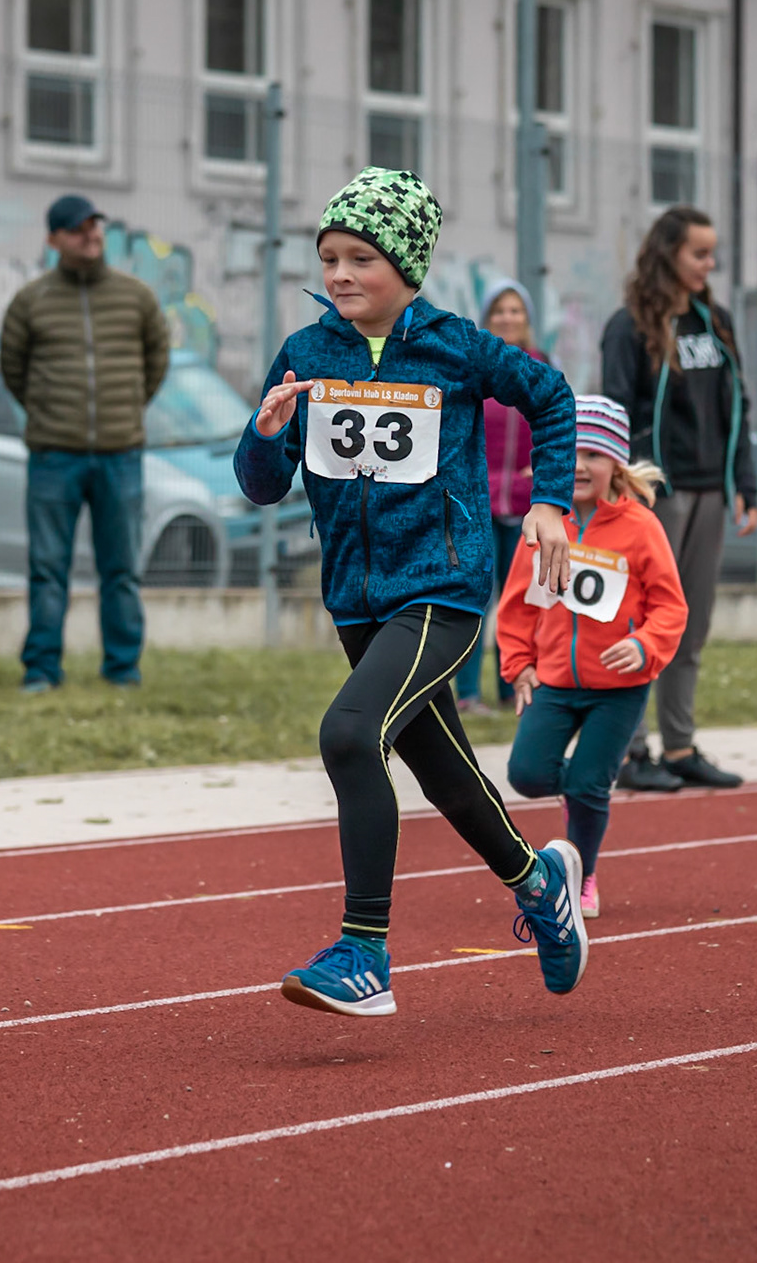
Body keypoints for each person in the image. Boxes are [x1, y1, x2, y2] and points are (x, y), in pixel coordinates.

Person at [234, 166, 584, 1018]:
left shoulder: (456, 346)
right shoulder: (307, 351)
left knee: (350, 734)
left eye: (361, 259)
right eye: (329, 259)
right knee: (449, 778)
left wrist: (549, 501)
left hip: (442, 589)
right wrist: (266, 434)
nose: (341, 275)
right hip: (357, 599)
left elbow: (550, 397)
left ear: (409, 266)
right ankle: (540, 884)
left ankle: (364, 952)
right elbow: (261, 485)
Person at [500, 396, 688, 921]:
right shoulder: (543, 524)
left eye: (594, 455)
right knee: (527, 775)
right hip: (554, 681)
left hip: (619, 688)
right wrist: (519, 666)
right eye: (570, 454)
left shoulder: (641, 527)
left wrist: (645, 644)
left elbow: (670, 605)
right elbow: (515, 605)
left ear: (616, 464)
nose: (580, 466)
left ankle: (582, 876)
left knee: (588, 785)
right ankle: (584, 792)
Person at [600, 205, 757, 792]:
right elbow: (615, 411)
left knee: (688, 622)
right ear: (669, 253)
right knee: (640, 617)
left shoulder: (715, 322)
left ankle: (680, 745)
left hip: (710, 490)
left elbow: (737, 406)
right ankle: (629, 750)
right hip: (656, 493)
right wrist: (619, 485)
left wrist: (745, 484)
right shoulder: (630, 326)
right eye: (699, 253)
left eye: (713, 253)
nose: (710, 264)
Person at [0, 194, 169, 693]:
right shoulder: (31, 301)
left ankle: (122, 669)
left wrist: (125, 408)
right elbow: (13, 369)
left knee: (121, 568)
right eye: (77, 229)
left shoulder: (136, 297)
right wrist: (51, 413)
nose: (90, 235)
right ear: (54, 239)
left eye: (94, 225)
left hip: (121, 453)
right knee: (47, 567)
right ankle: (41, 669)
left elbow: (156, 361)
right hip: (54, 455)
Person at [452, 277, 549, 715]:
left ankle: (513, 687)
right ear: (487, 318)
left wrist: (542, 467)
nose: (507, 318)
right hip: (479, 501)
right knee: (477, 598)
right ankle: (468, 694)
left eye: (515, 310)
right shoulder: (475, 365)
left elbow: (553, 422)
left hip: (526, 504)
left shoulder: (540, 365)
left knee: (520, 600)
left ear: (527, 318)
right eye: (499, 311)